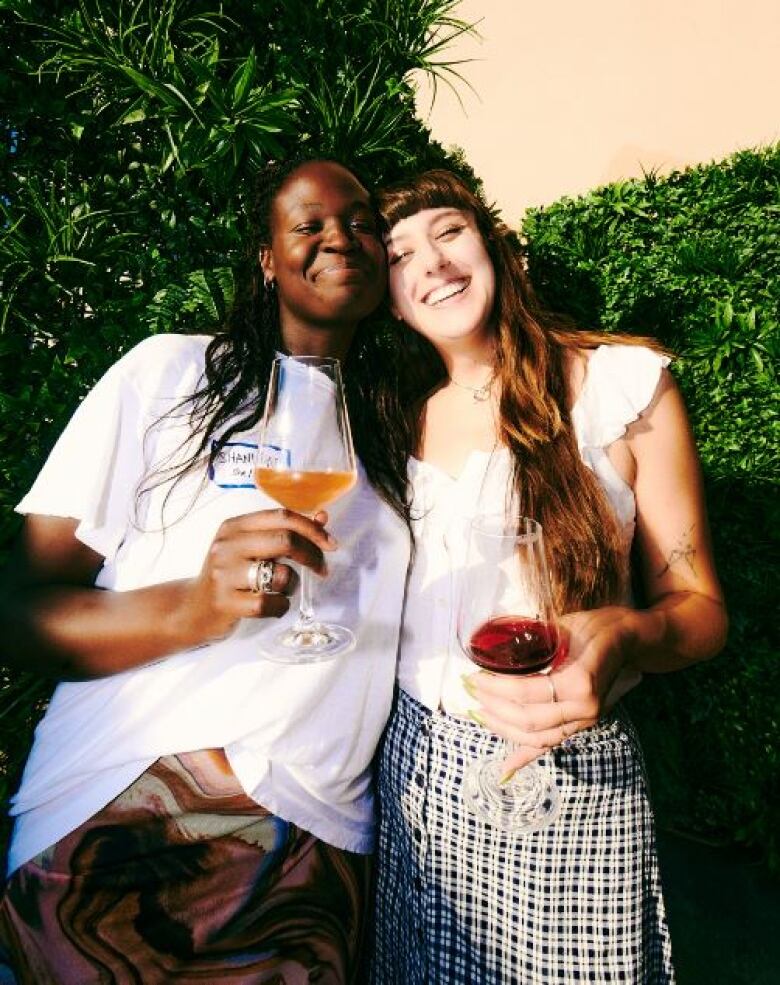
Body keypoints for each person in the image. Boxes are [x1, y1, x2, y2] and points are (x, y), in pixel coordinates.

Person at [0, 157, 412, 984]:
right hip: (128, 804)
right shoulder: (171, 374)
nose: (342, 236)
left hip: (317, 833)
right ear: (267, 260)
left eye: (363, 221)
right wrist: (196, 604)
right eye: (309, 224)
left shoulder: (408, 419)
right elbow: (18, 609)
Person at [370, 170, 728, 984]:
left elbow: (701, 608)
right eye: (399, 253)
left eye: (449, 231)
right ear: (390, 299)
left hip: (568, 781)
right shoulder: (389, 415)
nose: (432, 261)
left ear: (494, 245)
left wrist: (633, 632)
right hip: (414, 772)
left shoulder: (619, 387)